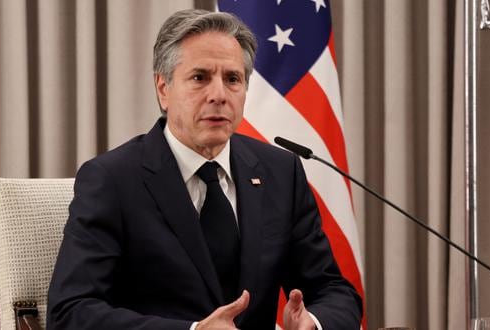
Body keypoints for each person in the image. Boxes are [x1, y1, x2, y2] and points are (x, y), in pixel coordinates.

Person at [47, 9, 362, 330]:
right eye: (200, 78)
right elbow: (70, 311)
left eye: (232, 79)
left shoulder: (281, 171)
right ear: (163, 88)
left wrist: (314, 323)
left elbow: (334, 290)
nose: (219, 95)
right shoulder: (112, 179)